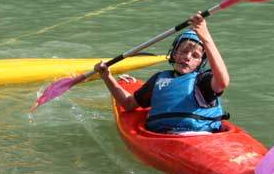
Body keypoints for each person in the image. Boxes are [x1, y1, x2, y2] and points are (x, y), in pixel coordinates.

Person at [95, 12, 230, 133]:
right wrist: (107, 76)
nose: (187, 57)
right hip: (163, 139)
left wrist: (206, 38)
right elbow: (128, 104)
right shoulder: (158, 79)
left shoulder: (203, 81)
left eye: (195, 55)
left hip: (200, 136)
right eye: (183, 51)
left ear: (200, 62)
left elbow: (223, 82)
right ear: (174, 54)